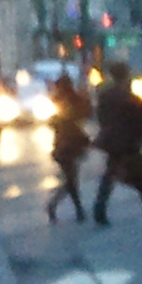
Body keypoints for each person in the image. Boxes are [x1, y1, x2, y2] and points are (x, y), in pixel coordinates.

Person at [91, 62, 142, 225]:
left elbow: (101, 118)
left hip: (111, 142)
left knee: (110, 176)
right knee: (141, 178)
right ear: (126, 75)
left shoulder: (105, 95)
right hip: (127, 143)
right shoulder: (129, 96)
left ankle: (99, 212)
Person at [45, 73, 91, 223]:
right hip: (68, 145)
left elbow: (53, 122)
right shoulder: (68, 100)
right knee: (71, 179)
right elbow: (85, 113)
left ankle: (63, 207)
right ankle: (70, 208)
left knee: (71, 179)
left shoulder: (60, 101)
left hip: (65, 145)